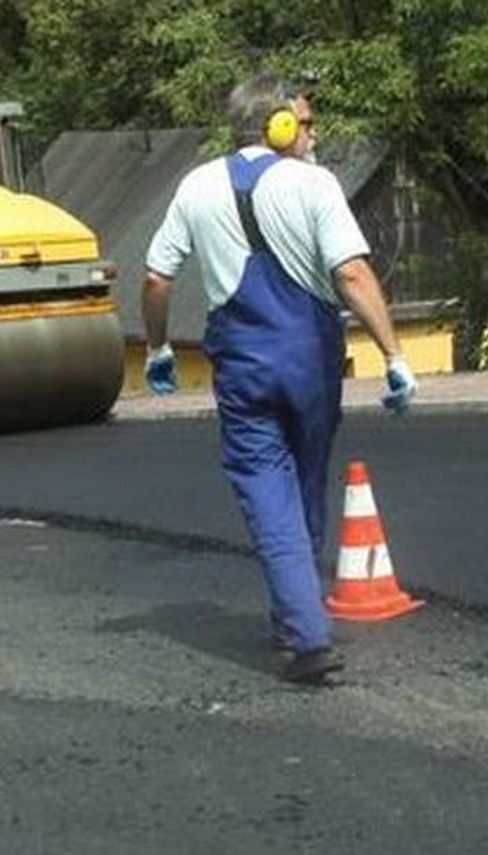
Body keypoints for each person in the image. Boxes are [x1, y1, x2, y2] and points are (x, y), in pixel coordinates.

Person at [142, 73, 418, 684]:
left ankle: (302, 629)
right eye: (308, 123)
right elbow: (351, 275)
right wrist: (394, 355)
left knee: (268, 486)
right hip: (311, 359)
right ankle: (301, 618)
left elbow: (158, 279)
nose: (313, 134)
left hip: (243, 361)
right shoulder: (314, 184)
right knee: (306, 479)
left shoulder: (197, 186)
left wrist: (159, 346)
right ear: (281, 126)